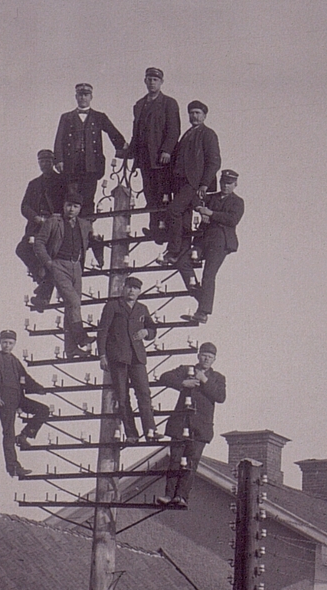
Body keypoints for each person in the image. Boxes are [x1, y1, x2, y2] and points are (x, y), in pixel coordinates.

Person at [156, 343, 225, 508]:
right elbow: (164, 377)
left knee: (191, 462)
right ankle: (168, 495)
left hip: (201, 428)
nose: (206, 358)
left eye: (210, 356)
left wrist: (205, 380)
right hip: (180, 423)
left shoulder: (218, 378)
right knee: (175, 459)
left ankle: (181, 496)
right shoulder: (186, 370)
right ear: (198, 356)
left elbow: (220, 397)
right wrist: (183, 383)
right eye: (204, 355)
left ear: (214, 359)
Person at [119, 68, 181, 243]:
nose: (152, 82)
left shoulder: (169, 103)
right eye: (149, 79)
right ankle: (154, 228)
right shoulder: (139, 105)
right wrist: (130, 151)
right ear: (145, 81)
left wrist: (167, 150)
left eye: (155, 79)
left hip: (161, 159)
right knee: (149, 194)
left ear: (161, 82)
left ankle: (164, 229)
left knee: (163, 194)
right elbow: (136, 132)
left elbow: (174, 130)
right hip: (145, 158)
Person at [0, 329, 50, 479]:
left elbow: (26, 378)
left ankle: (24, 435)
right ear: (0, 342)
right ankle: (13, 467)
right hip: (4, 401)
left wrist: (39, 389)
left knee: (43, 410)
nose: (7, 345)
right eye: (4, 342)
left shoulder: (15, 361)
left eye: (10, 343)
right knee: (8, 433)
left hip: (18, 398)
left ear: (14, 344)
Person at [178, 169, 244, 324]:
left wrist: (211, 214)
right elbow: (195, 198)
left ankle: (203, 312)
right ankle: (201, 295)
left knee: (208, 274)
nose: (225, 186)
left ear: (235, 184)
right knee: (182, 262)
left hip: (220, 241)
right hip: (202, 240)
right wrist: (200, 209)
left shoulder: (237, 201)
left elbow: (232, 219)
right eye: (223, 183)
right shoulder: (212, 197)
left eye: (228, 184)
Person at [97, 276, 157, 444]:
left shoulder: (142, 309)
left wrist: (146, 333)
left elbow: (152, 329)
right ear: (123, 289)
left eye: (136, 288)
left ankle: (150, 431)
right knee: (123, 397)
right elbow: (102, 332)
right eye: (129, 287)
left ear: (139, 291)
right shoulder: (112, 306)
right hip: (118, 358)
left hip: (137, 358)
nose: (132, 291)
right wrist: (102, 355)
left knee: (144, 394)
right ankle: (132, 434)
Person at [161, 102, 221, 267]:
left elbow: (214, 161)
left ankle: (173, 249)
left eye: (198, 113)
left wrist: (203, 184)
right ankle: (183, 252)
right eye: (192, 113)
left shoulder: (207, 134)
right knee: (183, 218)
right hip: (180, 182)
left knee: (173, 211)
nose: (194, 116)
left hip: (193, 183)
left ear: (204, 116)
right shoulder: (187, 134)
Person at [34, 190, 93, 357]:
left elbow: (89, 242)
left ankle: (70, 348)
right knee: (74, 302)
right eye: (69, 205)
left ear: (80, 208)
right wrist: (49, 263)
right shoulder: (54, 221)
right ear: (64, 205)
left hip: (77, 267)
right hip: (58, 265)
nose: (71, 209)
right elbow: (39, 243)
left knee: (71, 307)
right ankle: (81, 338)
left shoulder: (84, 224)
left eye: (75, 207)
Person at [53, 84, 126, 216]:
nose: (83, 98)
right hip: (71, 165)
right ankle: (70, 232)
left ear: (91, 97)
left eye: (86, 95)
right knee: (71, 197)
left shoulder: (99, 117)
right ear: (76, 97)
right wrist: (59, 160)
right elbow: (59, 140)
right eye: (80, 95)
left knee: (88, 198)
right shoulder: (66, 117)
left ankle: (86, 231)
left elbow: (112, 132)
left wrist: (122, 147)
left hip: (91, 165)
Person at [15, 150, 65, 303]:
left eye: (48, 161)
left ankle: (43, 296)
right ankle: (41, 273)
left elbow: (68, 203)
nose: (44, 164)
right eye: (41, 161)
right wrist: (36, 218)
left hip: (54, 226)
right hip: (36, 226)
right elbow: (24, 206)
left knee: (49, 255)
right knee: (22, 249)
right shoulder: (34, 184)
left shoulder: (61, 181)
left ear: (53, 162)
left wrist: (55, 219)